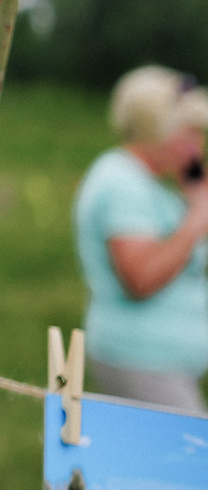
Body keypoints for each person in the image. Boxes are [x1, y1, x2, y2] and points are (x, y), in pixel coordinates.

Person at [70, 66, 208, 410]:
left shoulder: (147, 183)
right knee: (186, 462)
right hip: (144, 361)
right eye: (189, 134)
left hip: (164, 361)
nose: (198, 147)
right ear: (159, 131)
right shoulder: (121, 183)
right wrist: (197, 219)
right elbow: (141, 277)